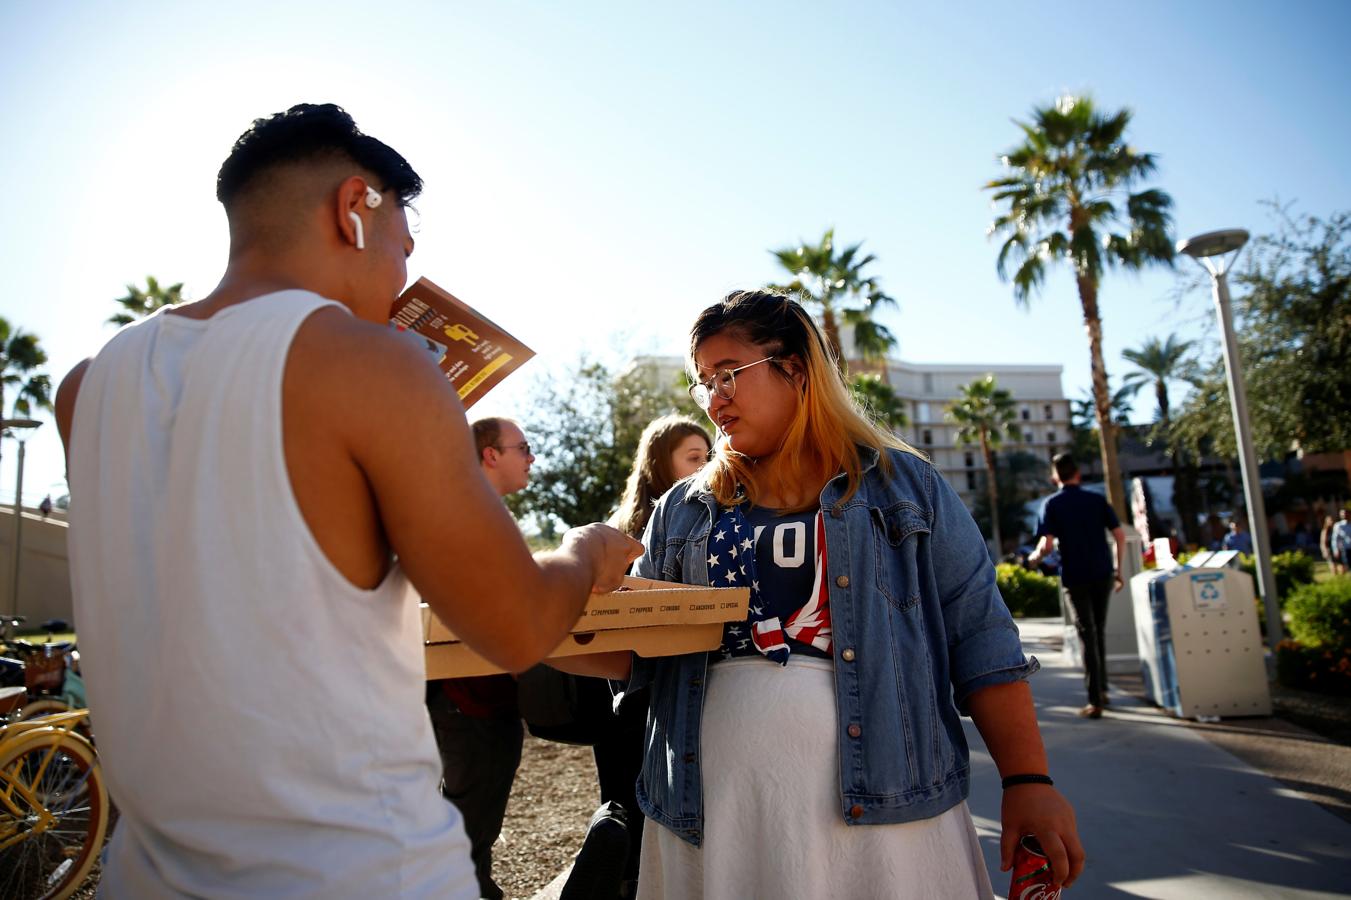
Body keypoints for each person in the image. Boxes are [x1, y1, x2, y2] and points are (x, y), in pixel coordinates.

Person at [55, 103, 640, 898]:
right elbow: (517, 626)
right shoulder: (374, 365)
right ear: (355, 206)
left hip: (151, 875)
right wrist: (584, 553)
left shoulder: (88, 386)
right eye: (406, 244)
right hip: (360, 869)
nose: (403, 276)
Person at [559, 291, 1083, 898]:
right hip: (711, 819)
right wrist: (525, 629)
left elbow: (983, 641)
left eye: (728, 374)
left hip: (889, 818)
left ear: (797, 369)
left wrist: (1029, 782)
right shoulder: (682, 510)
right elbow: (633, 652)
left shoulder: (906, 488)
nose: (714, 399)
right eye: (703, 382)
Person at [584, 415, 710, 897]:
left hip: (673, 699)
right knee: (627, 815)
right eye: (694, 458)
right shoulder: (629, 537)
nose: (707, 467)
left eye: (709, 455)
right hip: (631, 702)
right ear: (661, 464)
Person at [425, 416, 536, 900]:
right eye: (523, 447)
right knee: (467, 837)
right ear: (491, 454)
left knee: (470, 834)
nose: (531, 457)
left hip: (473, 699)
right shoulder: (468, 514)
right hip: (470, 700)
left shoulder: (468, 511)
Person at [1029, 454, 1124, 720]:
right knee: (1098, 630)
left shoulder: (1052, 504)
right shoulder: (1096, 500)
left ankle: (1095, 700)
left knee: (1087, 633)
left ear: (1055, 476)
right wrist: (1119, 569)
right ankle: (1102, 689)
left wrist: (1034, 558)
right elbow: (1118, 536)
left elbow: (1046, 545)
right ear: (1078, 473)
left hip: (1075, 575)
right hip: (1103, 572)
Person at [1333, 509, 1351, 576]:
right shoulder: (1338, 525)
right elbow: (1335, 539)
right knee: (1345, 566)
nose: (1344, 515)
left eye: (1346, 513)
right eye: (1342, 513)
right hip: (1344, 549)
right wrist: (1336, 549)